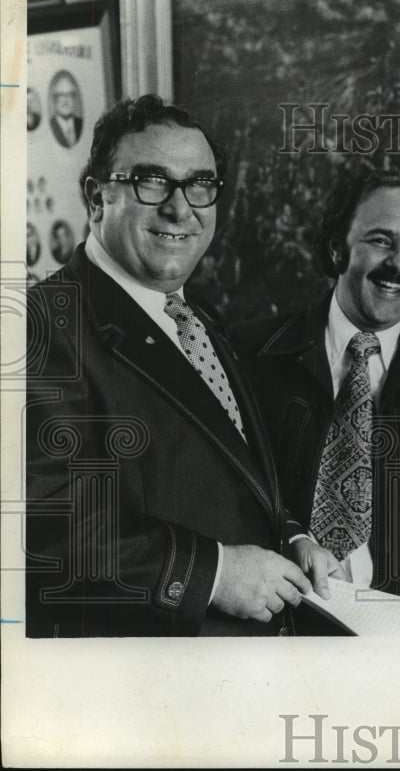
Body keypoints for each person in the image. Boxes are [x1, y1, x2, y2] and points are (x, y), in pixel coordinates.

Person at [26, 94, 332, 637]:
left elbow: (224, 469)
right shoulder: (41, 328)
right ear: (96, 198)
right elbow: (46, 535)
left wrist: (288, 533)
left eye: (200, 184)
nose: (180, 207)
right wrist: (214, 574)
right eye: (151, 181)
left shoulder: (199, 316)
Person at [234, 170, 400, 627]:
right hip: (273, 637)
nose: (399, 265)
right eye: (381, 241)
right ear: (336, 248)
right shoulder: (246, 359)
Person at [48, 71, 83, 149]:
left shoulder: (80, 124)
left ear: (74, 99)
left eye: (69, 94)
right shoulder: (50, 125)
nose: (65, 99)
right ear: (55, 100)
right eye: (61, 95)